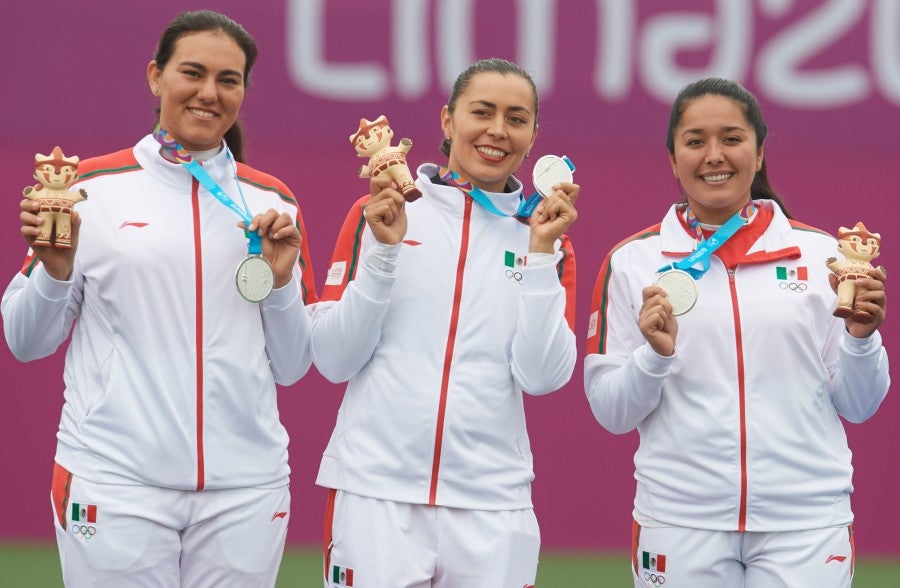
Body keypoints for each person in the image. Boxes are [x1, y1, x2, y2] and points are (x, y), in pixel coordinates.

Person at [1, 10, 317, 587]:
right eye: (191, 73)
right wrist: (53, 272)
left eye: (228, 79)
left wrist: (277, 285)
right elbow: (25, 341)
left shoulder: (273, 202)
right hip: (114, 482)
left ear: (244, 91)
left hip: (245, 491)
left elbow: (294, 365)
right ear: (156, 77)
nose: (209, 92)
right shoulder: (88, 191)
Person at [584, 77, 889, 588]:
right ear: (672, 158)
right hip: (680, 519)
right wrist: (653, 359)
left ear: (760, 151)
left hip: (805, 521)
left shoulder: (821, 258)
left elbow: (859, 404)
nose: (714, 155)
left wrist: (862, 340)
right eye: (695, 141)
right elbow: (612, 412)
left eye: (731, 138)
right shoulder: (632, 262)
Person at [311, 58, 579, 587]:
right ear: (447, 120)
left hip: (493, 504)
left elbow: (543, 376)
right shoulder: (379, 213)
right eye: (482, 112)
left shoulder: (546, 238)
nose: (497, 130)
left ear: (533, 136)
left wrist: (542, 255)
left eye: (516, 118)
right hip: (374, 493)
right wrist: (384, 255)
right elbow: (334, 357)